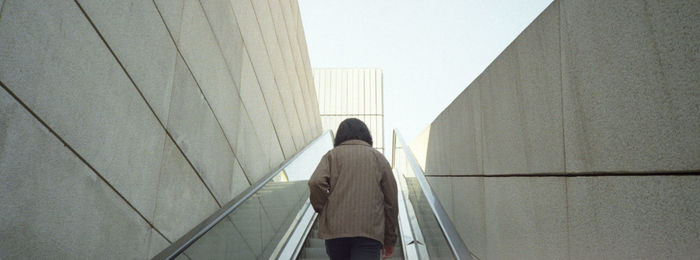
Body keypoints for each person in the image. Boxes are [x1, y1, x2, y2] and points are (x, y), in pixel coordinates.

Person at [308, 118, 399, 260]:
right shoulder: (379, 158)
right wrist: (389, 239)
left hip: (335, 230)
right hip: (369, 231)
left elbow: (315, 182)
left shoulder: (331, 156)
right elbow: (391, 201)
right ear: (367, 136)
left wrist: (323, 208)